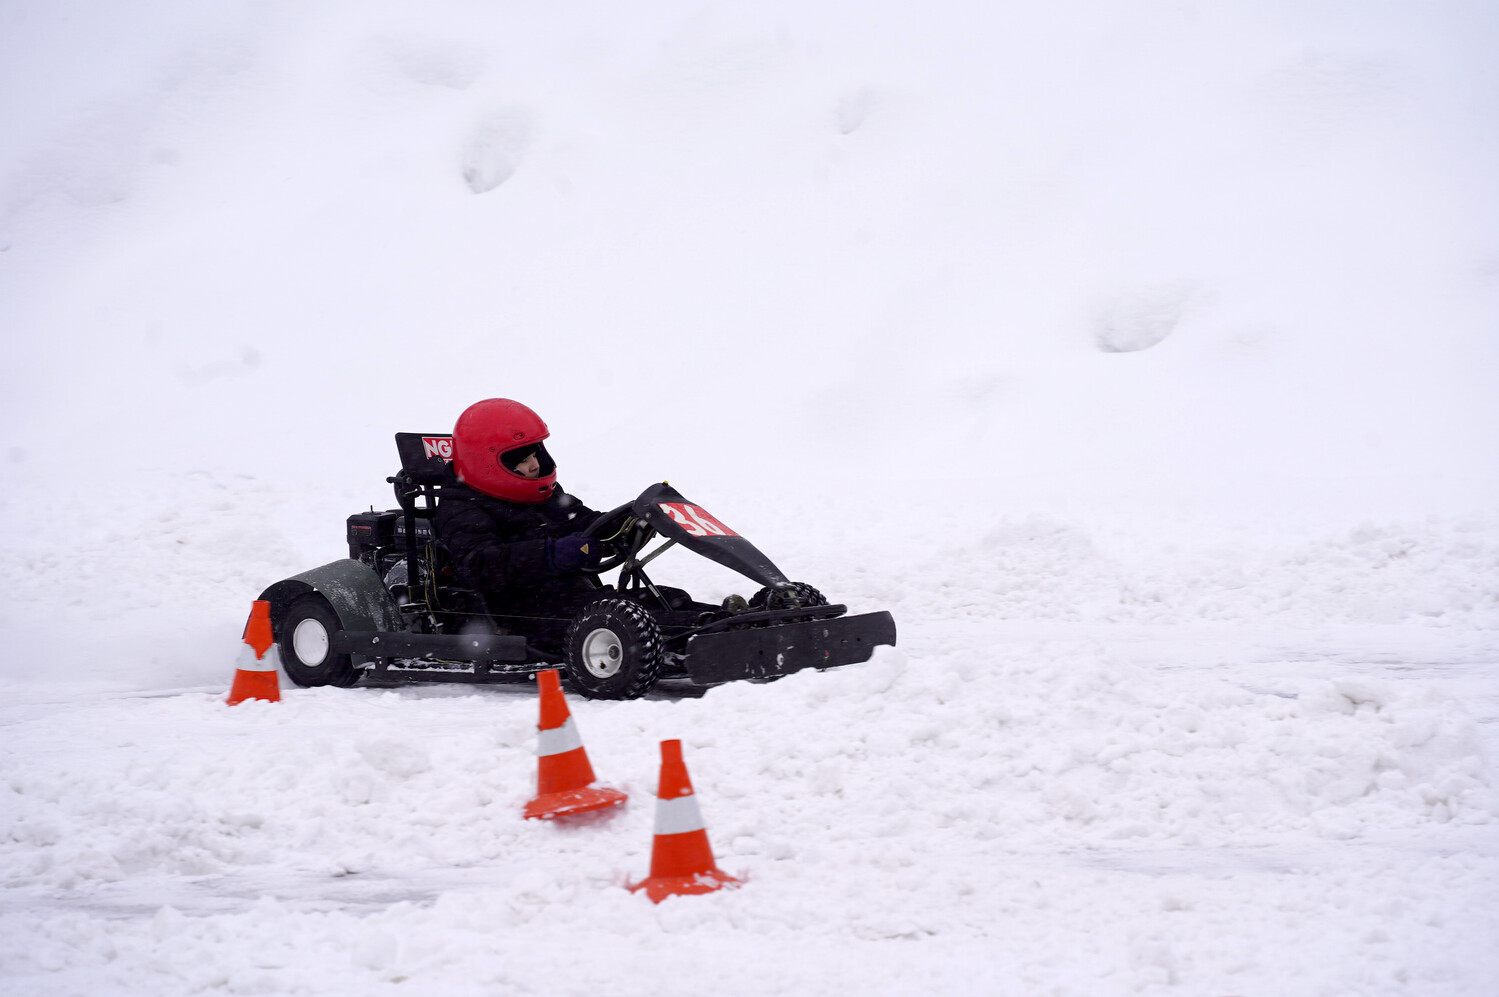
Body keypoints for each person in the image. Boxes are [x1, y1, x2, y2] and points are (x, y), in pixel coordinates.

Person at [434, 398, 605, 624]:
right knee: (644, 627)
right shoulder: (461, 508)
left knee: (663, 607)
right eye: (524, 461)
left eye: (535, 455)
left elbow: (581, 520)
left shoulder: (539, 494)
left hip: (571, 600)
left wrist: (628, 522)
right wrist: (550, 555)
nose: (535, 465)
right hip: (520, 617)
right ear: (489, 464)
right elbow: (480, 565)